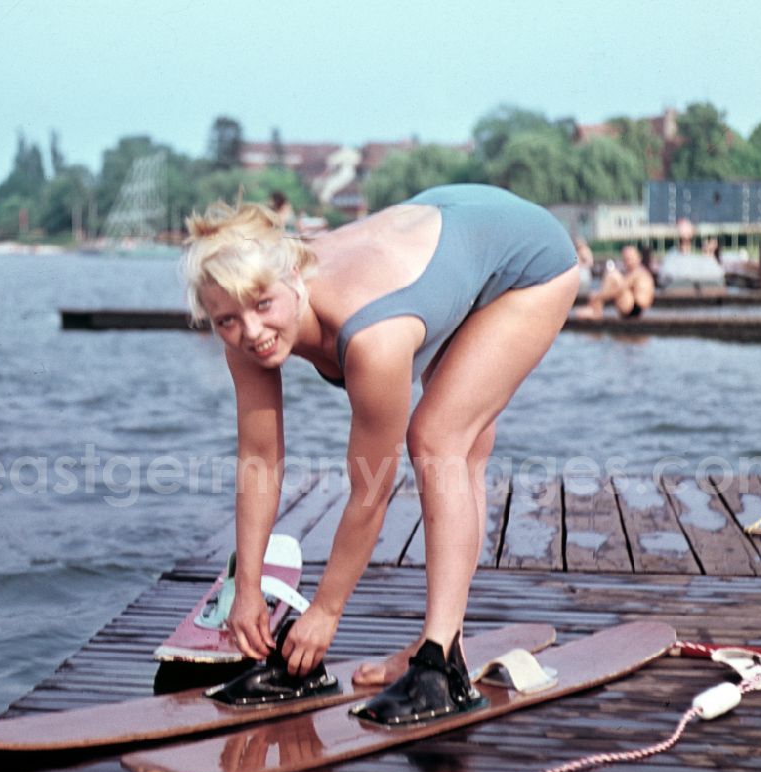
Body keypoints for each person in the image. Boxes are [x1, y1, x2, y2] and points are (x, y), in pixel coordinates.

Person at [183, 184, 578, 724]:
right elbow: (259, 460)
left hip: (527, 259)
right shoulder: (246, 321)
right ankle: (437, 647)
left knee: (439, 440)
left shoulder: (374, 338)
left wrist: (325, 612)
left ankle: (441, 666)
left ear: (294, 277)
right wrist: (245, 588)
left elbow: (371, 493)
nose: (251, 331)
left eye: (263, 307)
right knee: (455, 446)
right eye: (226, 320)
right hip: (447, 240)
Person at [573, 244, 655, 320]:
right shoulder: (638, 272)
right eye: (625, 259)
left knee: (613, 275)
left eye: (629, 259)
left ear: (638, 257)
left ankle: (596, 310)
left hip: (634, 308)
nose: (627, 262)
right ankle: (595, 308)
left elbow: (619, 289)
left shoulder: (637, 272)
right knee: (613, 276)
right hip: (636, 307)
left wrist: (598, 296)